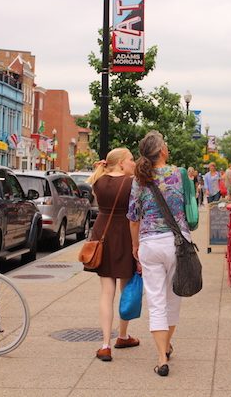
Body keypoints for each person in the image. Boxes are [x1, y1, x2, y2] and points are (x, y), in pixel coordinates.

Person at [127, 131, 191, 377]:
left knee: (156, 301)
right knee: (173, 299)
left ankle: (162, 357)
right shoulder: (179, 174)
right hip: (177, 243)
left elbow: (133, 218)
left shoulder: (139, 178)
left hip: (150, 243)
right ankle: (165, 345)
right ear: (162, 151)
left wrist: (135, 246)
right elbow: (188, 206)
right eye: (165, 144)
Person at [87, 148, 140, 362]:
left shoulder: (98, 182)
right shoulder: (131, 183)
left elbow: (94, 195)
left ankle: (105, 344)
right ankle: (123, 335)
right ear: (120, 163)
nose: (133, 163)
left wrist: (100, 168)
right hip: (124, 234)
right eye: (130, 160)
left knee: (106, 292)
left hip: (102, 234)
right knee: (125, 289)